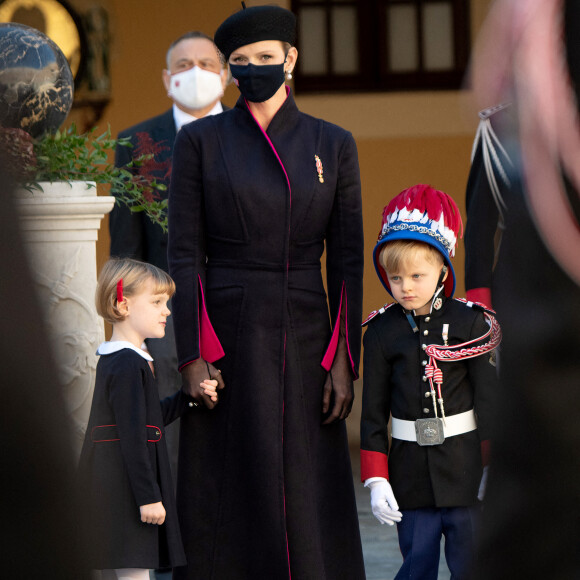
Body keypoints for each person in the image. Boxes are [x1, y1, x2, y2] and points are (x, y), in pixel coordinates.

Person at [167, 4, 365, 579]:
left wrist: (343, 360)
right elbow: (184, 254)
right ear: (229, 71)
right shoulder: (201, 142)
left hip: (307, 331)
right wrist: (192, 355)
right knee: (229, 483)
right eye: (242, 62)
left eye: (266, 59)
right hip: (228, 332)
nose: (254, 69)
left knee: (305, 485)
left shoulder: (335, 142)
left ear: (291, 60)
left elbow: (348, 263)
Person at [360, 184, 500, 579]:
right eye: (395, 277)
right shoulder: (382, 331)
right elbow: (373, 412)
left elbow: (489, 400)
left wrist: (494, 464)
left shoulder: (471, 323)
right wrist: (376, 478)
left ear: (443, 268)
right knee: (416, 565)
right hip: (410, 476)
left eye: (417, 275)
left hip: (466, 470)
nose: (405, 287)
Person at [109, 30, 229, 479]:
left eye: (206, 63)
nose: (194, 72)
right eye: (183, 65)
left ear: (225, 75)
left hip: (238, 302)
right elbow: (126, 246)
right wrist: (128, 323)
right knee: (171, 433)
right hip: (165, 315)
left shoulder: (253, 134)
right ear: (166, 78)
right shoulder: (136, 143)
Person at [77, 258, 218, 579]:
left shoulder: (125, 360)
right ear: (121, 304)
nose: (167, 310)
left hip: (121, 484)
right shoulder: (127, 363)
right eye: (156, 302)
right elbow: (132, 436)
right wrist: (149, 497)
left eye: (166, 302)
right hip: (127, 489)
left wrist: (188, 397)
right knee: (134, 573)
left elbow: (145, 422)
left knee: (130, 572)